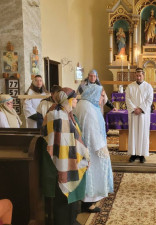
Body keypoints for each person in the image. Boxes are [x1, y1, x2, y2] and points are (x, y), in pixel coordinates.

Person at [41, 87, 90, 225]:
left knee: (70, 200)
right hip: (61, 161)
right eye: (74, 98)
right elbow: (64, 142)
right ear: (67, 100)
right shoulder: (58, 115)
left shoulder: (62, 111)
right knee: (63, 198)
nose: (76, 100)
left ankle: (71, 220)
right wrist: (83, 155)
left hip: (67, 157)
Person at [74, 69, 114, 213]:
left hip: (84, 147)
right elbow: (91, 131)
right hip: (92, 149)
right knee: (93, 175)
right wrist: (101, 148)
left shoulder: (84, 104)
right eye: (101, 96)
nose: (102, 99)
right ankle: (88, 203)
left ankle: (86, 201)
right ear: (94, 94)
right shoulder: (89, 109)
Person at [125, 67, 153, 163]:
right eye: (137, 75)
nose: (138, 77)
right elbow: (127, 99)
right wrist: (134, 109)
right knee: (133, 133)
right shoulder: (130, 87)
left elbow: (149, 100)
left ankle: (142, 155)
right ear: (135, 75)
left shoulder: (148, 87)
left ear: (143, 75)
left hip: (143, 115)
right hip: (133, 114)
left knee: (143, 133)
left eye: (140, 75)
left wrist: (141, 109)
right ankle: (133, 154)